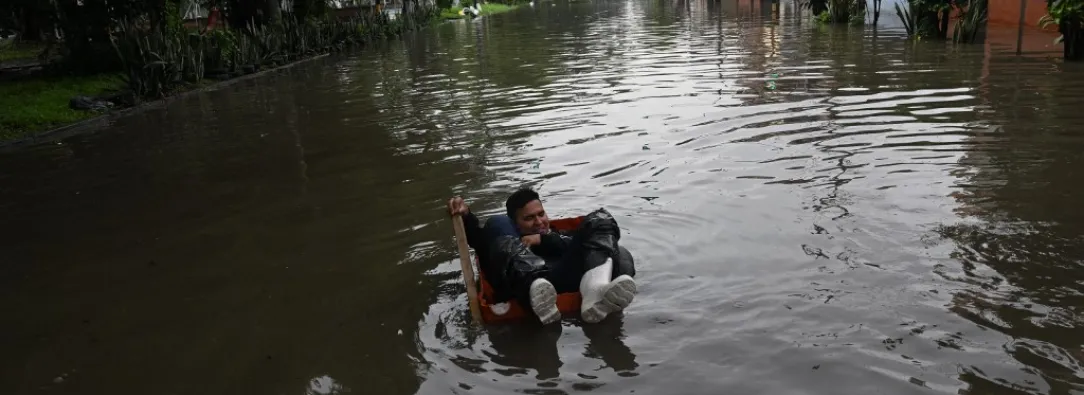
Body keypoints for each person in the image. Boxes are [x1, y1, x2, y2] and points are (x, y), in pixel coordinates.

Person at [448, 188, 637, 325]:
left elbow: (587, 246)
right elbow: (481, 242)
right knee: (497, 222)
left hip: (567, 277)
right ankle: (535, 288)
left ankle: (595, 291)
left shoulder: (558, 234)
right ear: (515, 225)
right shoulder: (506, 243)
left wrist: (543, 240)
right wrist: (465, 216)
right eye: (529, 218)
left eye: (541, 214)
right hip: (531, 288)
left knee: (601, 220)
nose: (539, 222)